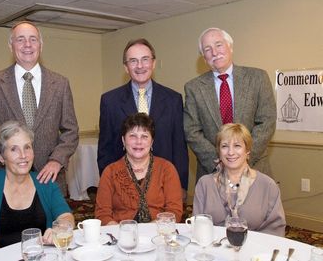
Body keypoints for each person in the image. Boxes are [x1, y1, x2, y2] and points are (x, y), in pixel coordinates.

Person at [0, 21, 79, 194]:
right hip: (7, 180)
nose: (27, 45)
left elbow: (71, 131)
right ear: (11, 45)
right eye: (20, 39)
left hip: (49, 178)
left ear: (41, 45)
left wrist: (56, 160)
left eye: (33, 39)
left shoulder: (60, 84)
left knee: (53, 221)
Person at [98, 38, 189, 196]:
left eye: (145, 59)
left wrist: (180, 186)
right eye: (133, 61)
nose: (140, 66)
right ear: (126, 67)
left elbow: (179, 147)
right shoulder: (109, 101)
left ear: (153, 63)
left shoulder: (173, 99)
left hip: (164, 184)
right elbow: (105, 149)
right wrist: (109, 186)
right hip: (123, 187)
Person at [184, 27, 276, 181]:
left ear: (230, 47)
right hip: (213, 172)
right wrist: (221, 160)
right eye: (207, 49)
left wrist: (243, 157)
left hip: (254, 169)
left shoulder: (258, 78)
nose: (214, 52)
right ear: (203, 57)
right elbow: (192, 131)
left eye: (219, 45)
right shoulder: (193, 88)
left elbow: (267, 122)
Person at [0, 121, 74, 253]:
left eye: (27, 147)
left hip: (39, 256)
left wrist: (60, 228)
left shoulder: (44, 181)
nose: (23, 155)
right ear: (1, 157)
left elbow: (66, 217)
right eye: (14, 149)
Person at [193, 123, 286, 236]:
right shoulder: (205, 184)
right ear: (219, 151)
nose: (230, 152)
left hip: (256, 250)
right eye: (225, 146)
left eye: (237, 146)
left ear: (247, 151)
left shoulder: (267, 186)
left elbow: (275, 231)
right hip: (214, 248)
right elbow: (197, 227)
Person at [95, 113, 183, 225]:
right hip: (121, 235)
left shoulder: (167, 169)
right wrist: (122, 232)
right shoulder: (110, 172)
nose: (138, 142)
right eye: (132, 136)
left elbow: (174, 211)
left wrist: (149, 229)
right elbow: (102, 214)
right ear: (123, 140)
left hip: (158, 233)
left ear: (152, 142)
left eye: (144, 136)